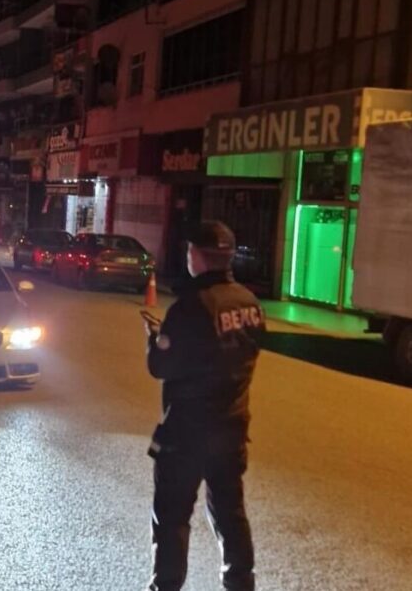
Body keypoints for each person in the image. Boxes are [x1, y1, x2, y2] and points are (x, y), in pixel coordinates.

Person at [143, 221, 265, 591]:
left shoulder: (190, 308)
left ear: (196, 256)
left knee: (173, 518)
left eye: (188, 252)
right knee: (230, 513)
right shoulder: (250, 303)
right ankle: (240, 583)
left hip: (186, 435)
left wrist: (154, 341)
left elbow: (160, 367)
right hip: (231, 430)